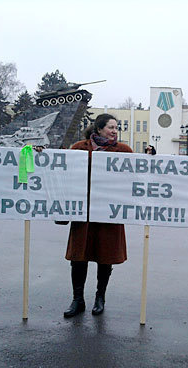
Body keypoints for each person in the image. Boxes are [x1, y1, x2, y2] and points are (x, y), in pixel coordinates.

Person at [63, 113, 133, 318]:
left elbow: (140, 171)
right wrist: (39, 152)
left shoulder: (123, 151)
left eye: (116, 128)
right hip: (83, 212)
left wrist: (150, 155)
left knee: (105, 256)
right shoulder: (79, 148)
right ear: (99, 128)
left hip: (108, 214)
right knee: (78, 257)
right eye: (111, 127)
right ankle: (78, 300)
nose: (114, 131)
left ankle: (100, 298)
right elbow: (61, 169)